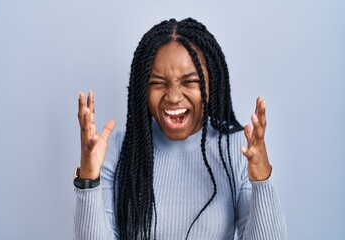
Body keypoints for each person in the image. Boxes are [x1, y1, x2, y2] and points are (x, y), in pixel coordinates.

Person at [74, 18, 286, 240]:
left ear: (211, 83)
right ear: (142, 89)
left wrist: (262, 179)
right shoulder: (118, 149)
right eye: (157, 83)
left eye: (189, 82)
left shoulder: (237, 150)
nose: (173, 97)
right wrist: (88, 179)